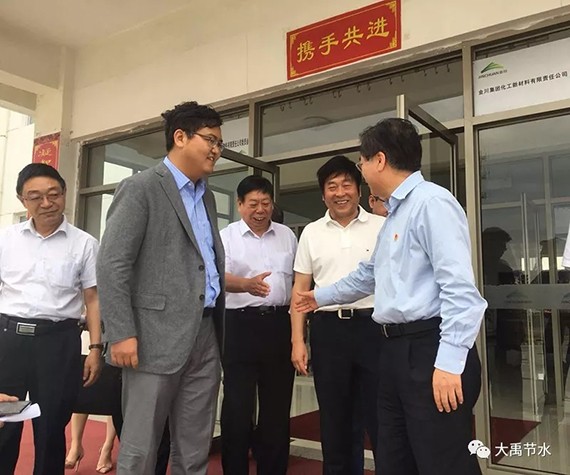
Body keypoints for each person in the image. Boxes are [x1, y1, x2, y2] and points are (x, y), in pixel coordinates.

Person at [296, 118, 487, 475]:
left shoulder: (432, 204)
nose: (362, 171)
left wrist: (449, 363)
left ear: (379, 160)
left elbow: (461, 292)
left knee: (442, 461)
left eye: (362, 163)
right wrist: (320, 297)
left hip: (430, 350)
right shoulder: (396, 213)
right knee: (395, 458)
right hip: (394, 352)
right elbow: (370, 274)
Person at [97, 101, 226, 475]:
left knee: (195, 445)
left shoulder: (207, 196)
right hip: (152, 338)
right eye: (210, 140)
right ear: (180, 137)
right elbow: (112, 263)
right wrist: (121, 332)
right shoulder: (141, 188)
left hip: (205, 332)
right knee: (141, 447)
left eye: (219, 143)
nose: (216, 150)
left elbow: (200, 264)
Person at [0, 163, 103, 475]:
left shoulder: (84, 244)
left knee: (51, 427)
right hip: (9, 343)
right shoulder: (6, 239)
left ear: (64, 194)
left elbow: (93, 299)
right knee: (4, 423)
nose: (46, 203)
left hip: (57, 345)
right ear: (22, 200)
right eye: (35, 197)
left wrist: (96, 348)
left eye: (53, 194)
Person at [290, 155, 385, 474]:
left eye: (347, 185)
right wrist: (298, 340)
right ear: (323, 195)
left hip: (375, 329)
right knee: (334, 420)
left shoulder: (382, 226)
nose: (340, 192)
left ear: (359, 189)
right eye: (332, 187)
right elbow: (300, 289)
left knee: (382, 417)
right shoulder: (311, 233)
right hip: (329, 331)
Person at [220, 176, 297, 475]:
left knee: (277, 408)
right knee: (237, 408)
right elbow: (216, 278)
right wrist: (246, 285)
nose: (260, 210)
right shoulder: (227, 237)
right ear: (240, 205)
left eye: (266, 203)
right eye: (253, 204)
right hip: (239, 326)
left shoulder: (287, 236)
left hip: (279, 324)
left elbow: (299, 278)